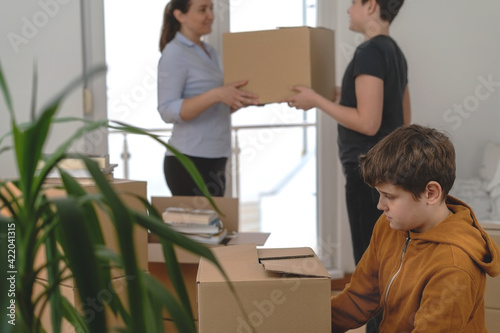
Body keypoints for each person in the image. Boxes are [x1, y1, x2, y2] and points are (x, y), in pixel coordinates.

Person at [286, 2, 409, 330]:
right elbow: (401, 116)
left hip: (367, 173)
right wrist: (340, 96)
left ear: (370, 6)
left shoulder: (369, 52)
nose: (348, 10)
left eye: (353, 2)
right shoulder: (393, 51)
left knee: (370, 270)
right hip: (389, 170)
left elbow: (368, 123)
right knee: (386, 262)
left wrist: (316, 101)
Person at [330, 124, 500, 332]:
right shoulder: (388, 226)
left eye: (390, 196)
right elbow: (360, 298)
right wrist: (307, 322)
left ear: (430, 193)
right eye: (380, 194)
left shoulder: (453, 266)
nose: (380, 205)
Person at [157, 0, 258, 197]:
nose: (210, 15)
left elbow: (210, 106)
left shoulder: (210, 52)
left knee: (217, 226)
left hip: (217, 155)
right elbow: (167, 110)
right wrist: (216, 94)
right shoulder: (174, 53)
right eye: (202, 9)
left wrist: (235, 99)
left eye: (211, 8)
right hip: (189, 159)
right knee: (197, 227)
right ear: (180, 15)